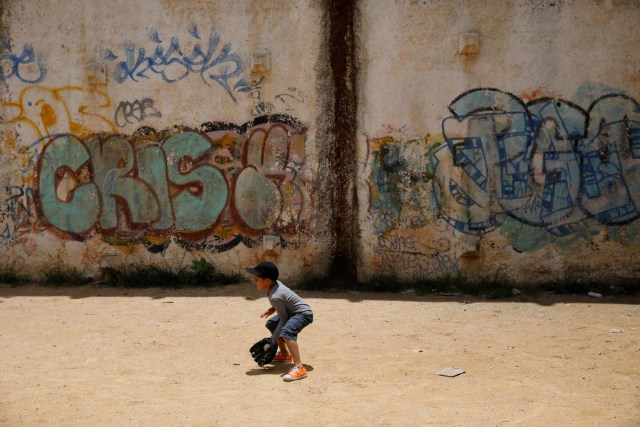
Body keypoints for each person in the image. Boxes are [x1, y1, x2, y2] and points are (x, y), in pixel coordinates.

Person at [246, 261, 313, 381]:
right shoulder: (274, 285)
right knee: (271, 324)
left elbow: (284, 319)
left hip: (303, 314)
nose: (254, 281)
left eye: (257, 279)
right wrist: (272, 309)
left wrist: (272, 341)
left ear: (267, 280)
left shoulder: (275, 296)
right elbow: (284, 302)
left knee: (286, 332)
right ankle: (284, 354)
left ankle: (299, 368)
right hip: (293, 312)